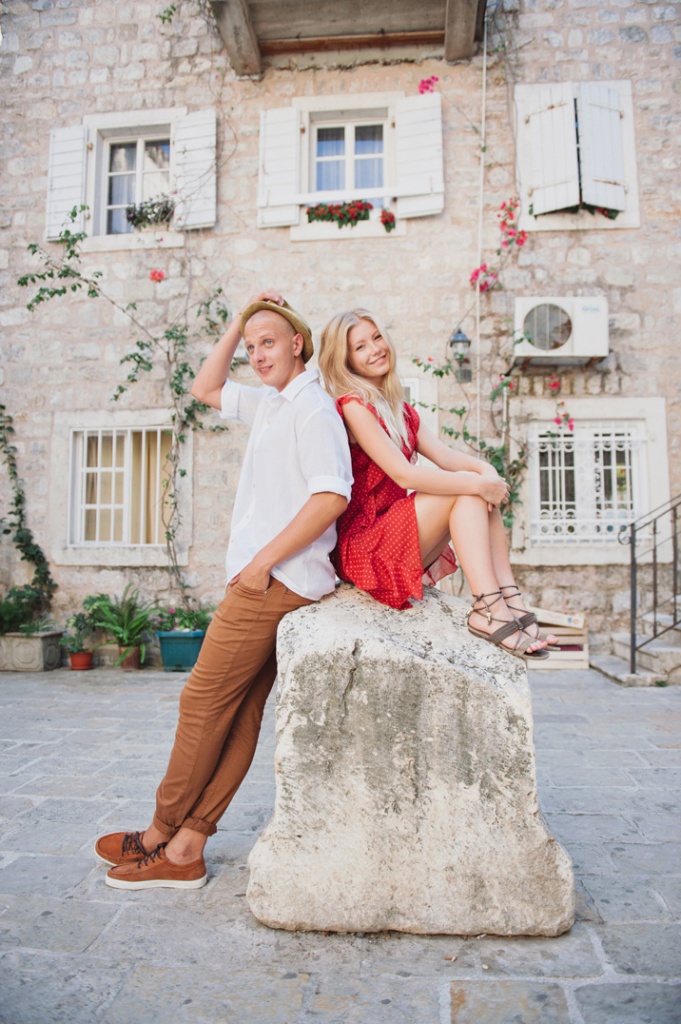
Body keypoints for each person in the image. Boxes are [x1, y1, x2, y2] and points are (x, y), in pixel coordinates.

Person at [94, 291, 352, 890]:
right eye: (251, 346)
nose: (257, 355)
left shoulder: (312, 408)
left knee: (200, 704)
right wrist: (239, 323)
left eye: (269, 342)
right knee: (238, 716)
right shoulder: (272, 402)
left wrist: (261, 564)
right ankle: (187, 847)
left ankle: (158, 835)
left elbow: (331, 496)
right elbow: (205, 388)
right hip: (279, 580)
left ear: (298, 344)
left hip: (272, 582)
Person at [318, 307, 557, 660]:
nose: (375, 349)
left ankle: (510, 600)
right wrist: (477, 484)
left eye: (377, 337)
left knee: (474, 486)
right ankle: (488, 608)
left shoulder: (399, 408)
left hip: (397, 532)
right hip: (365, 546)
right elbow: (404, 474)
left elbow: (445, 456)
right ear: (346, 361)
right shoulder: (354, 405)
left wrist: (487, 473)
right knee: (468, 489)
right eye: (360, 347)